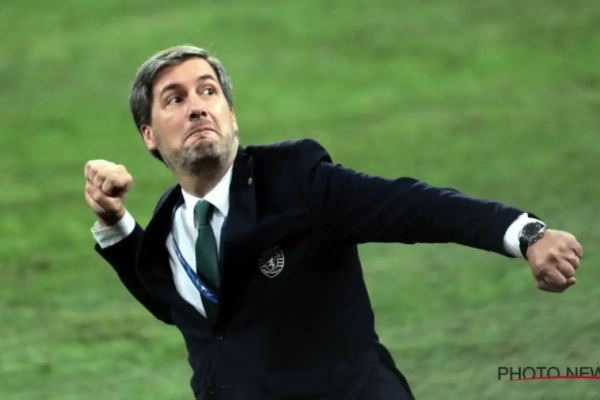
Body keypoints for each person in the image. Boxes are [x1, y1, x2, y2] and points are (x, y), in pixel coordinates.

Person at [84, 45, 583, 400]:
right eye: (175, 99)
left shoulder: (294, 180)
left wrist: (527, 235)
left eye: (208, 91)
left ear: (231, 115)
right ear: (149, 136)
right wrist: (114, 221)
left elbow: (415, 206)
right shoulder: (170, 223)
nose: (197, 107)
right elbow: (179, 304)